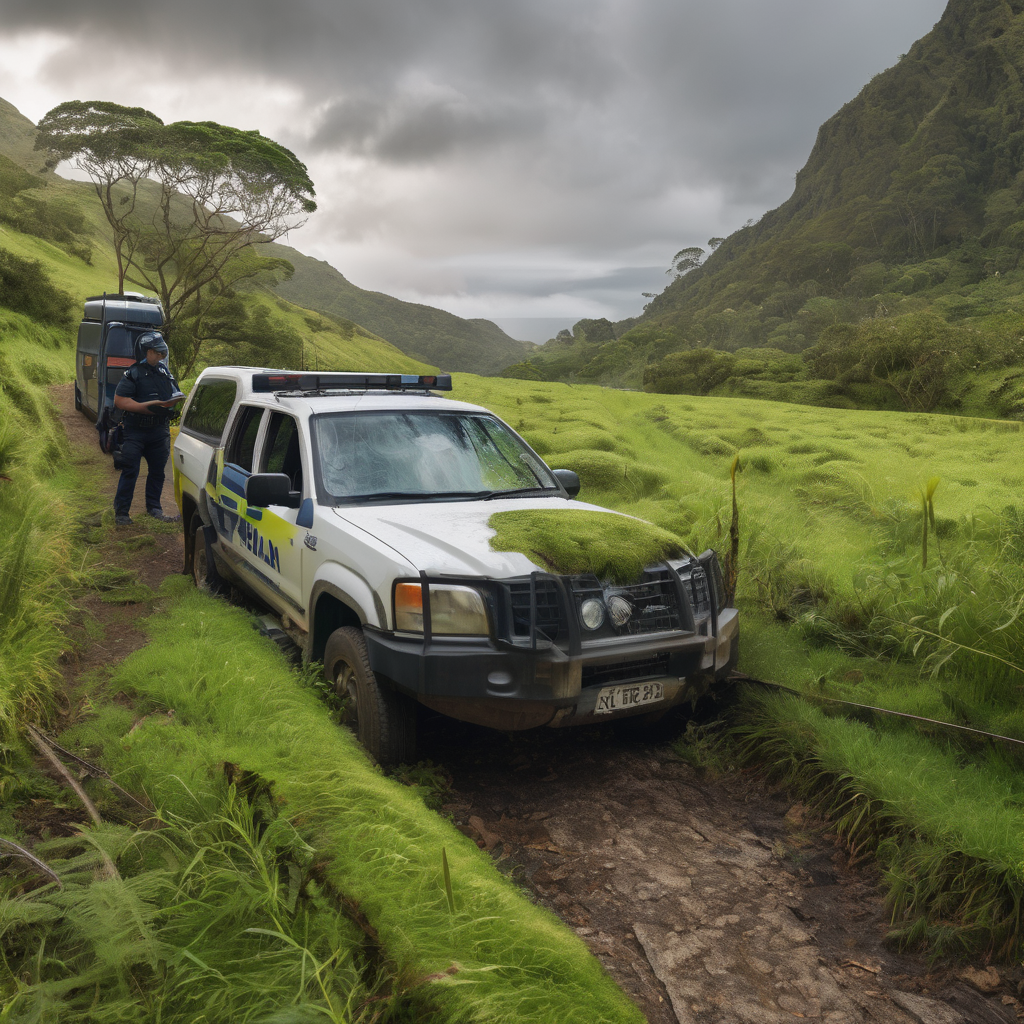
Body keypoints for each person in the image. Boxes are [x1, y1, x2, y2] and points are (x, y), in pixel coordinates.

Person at [112, 332, 184, 526]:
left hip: (159, 431)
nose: (161, 356)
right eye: (157, 352)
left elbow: (174, 393)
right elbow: (120, 401)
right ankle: (122, 514)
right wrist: (146, 407)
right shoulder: (133, 373)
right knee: (130, 470)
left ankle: (154, 508)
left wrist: (172, 405)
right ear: (147, 352)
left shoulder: (164, 372)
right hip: (135, 430)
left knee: (158, 472)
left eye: (162, 352)